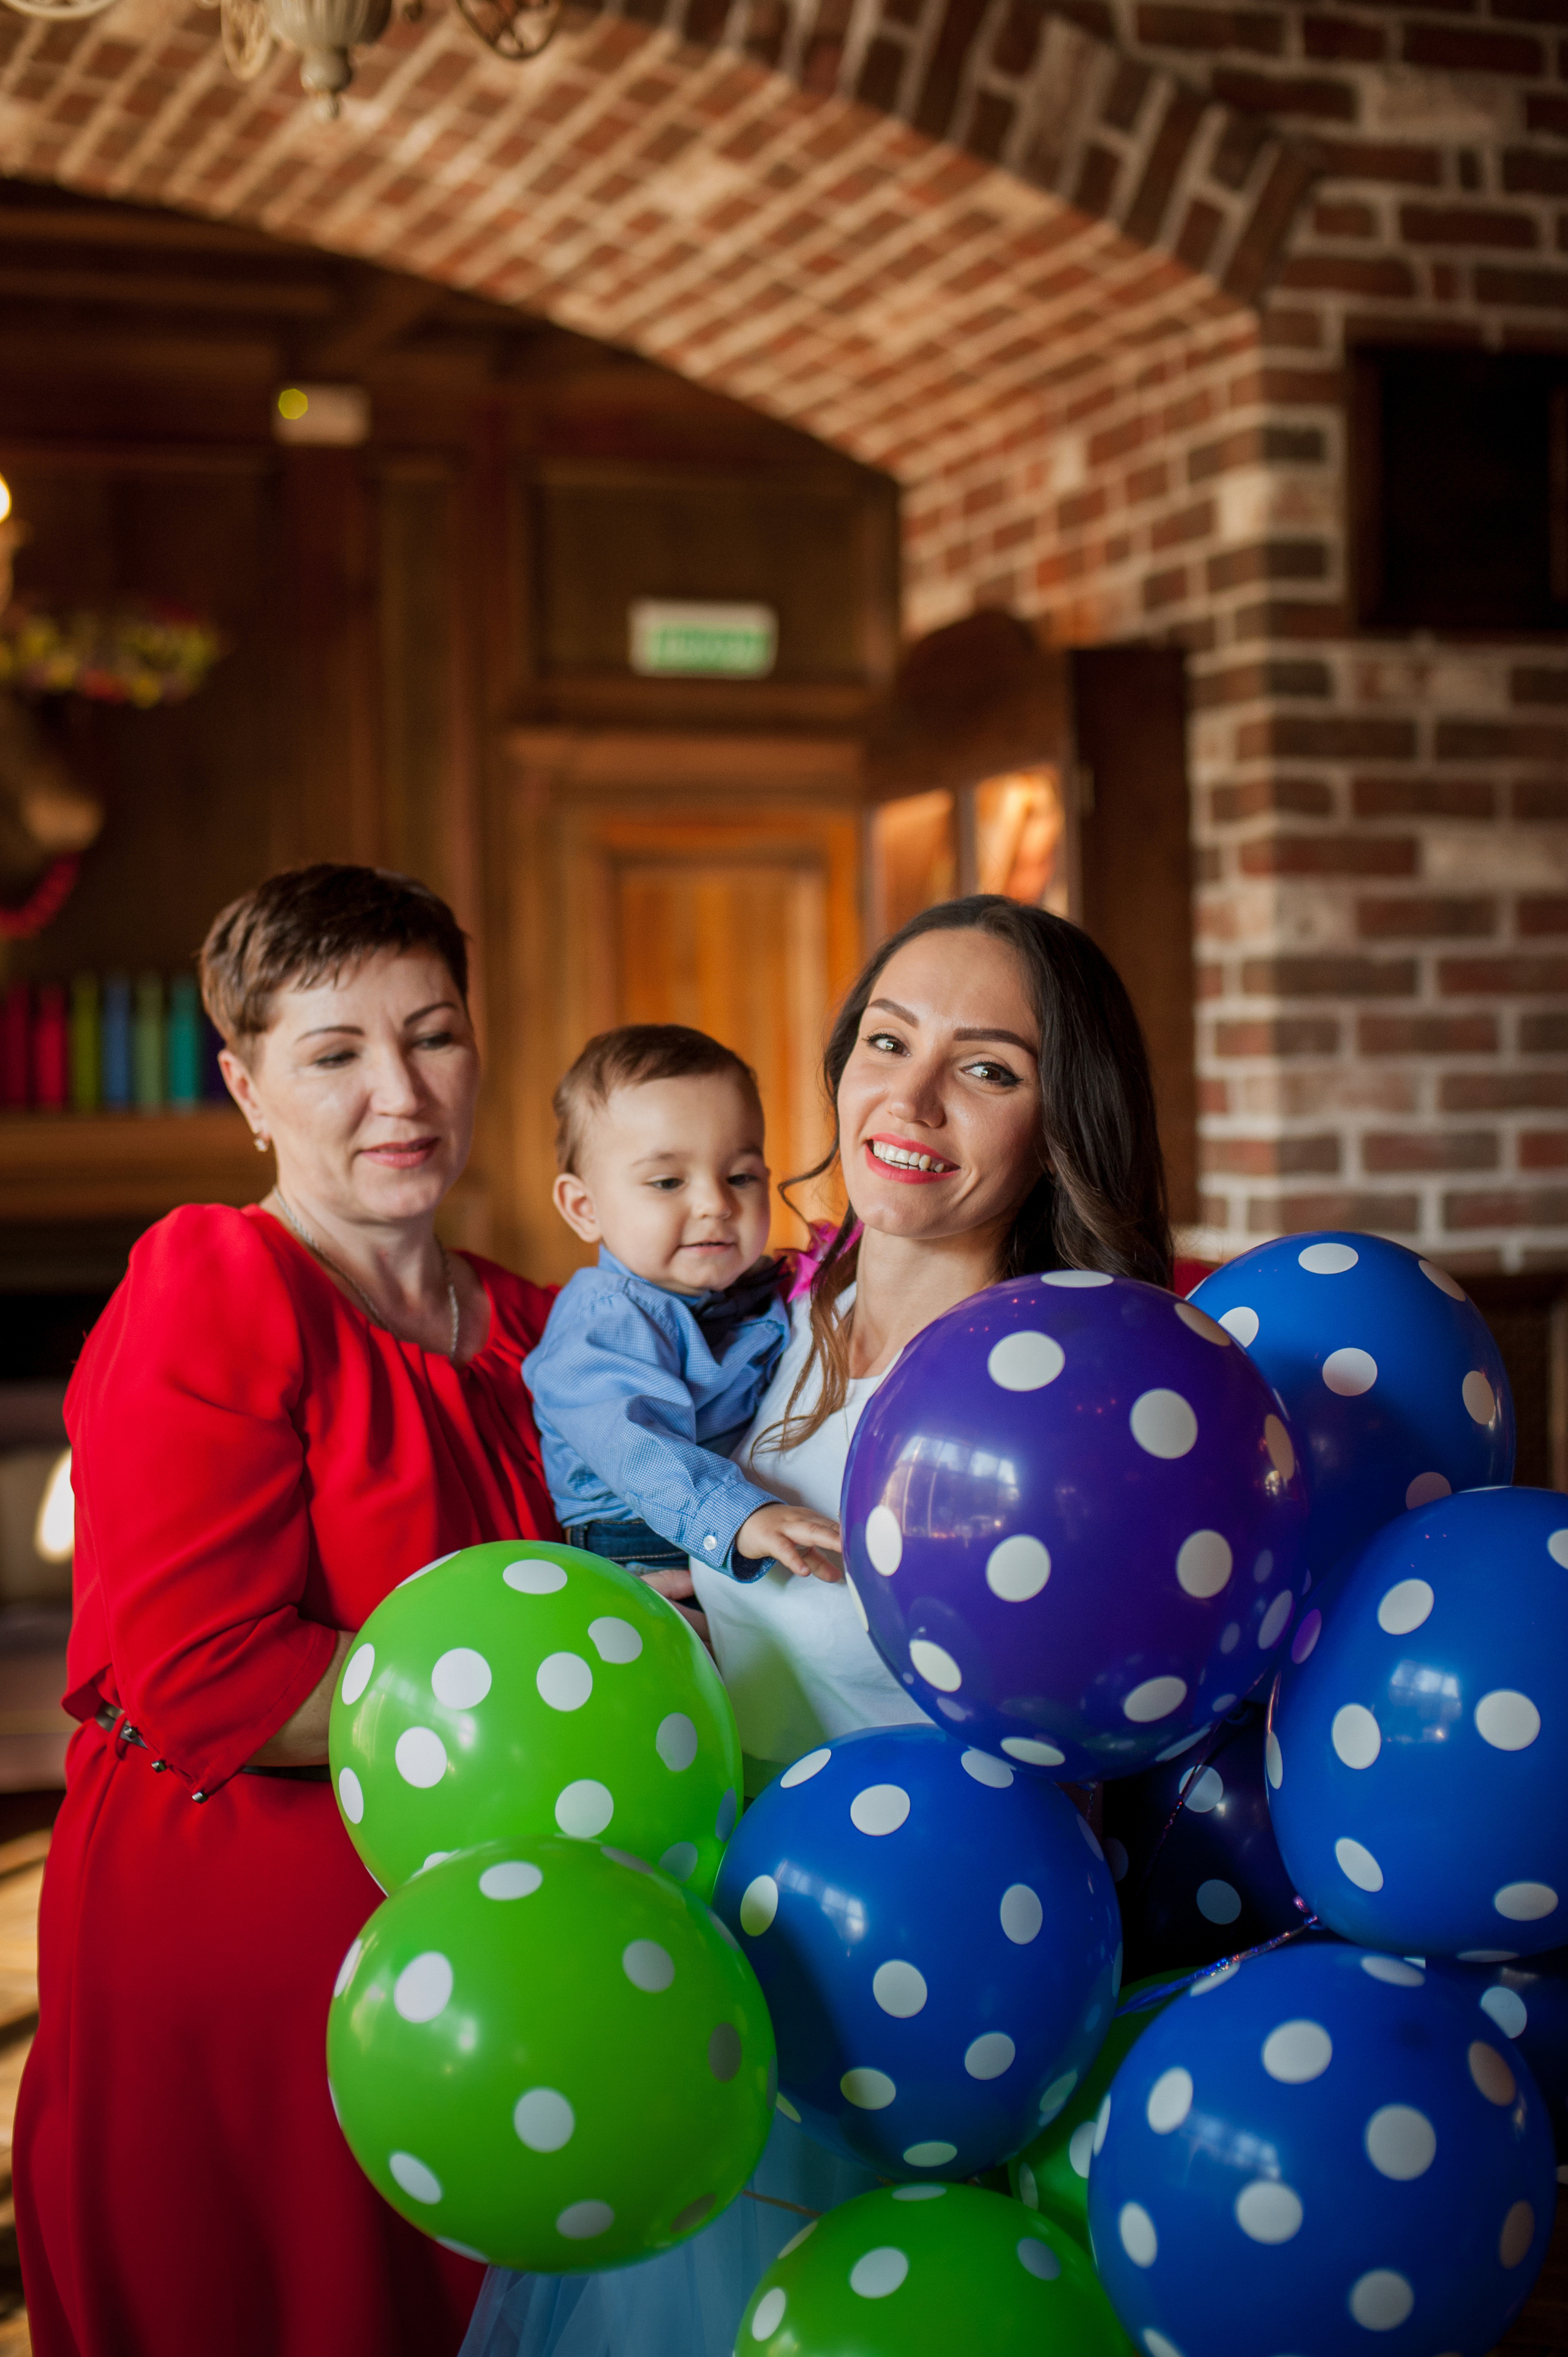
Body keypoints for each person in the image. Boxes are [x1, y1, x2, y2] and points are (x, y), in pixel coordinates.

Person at [462, 892, 1170, 2357]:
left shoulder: (1058, 1402)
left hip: (919, 2011)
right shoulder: (759, 1310)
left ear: (1060, 1121)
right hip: (699, 2003)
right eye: (884, 1039)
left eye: (984, 1066)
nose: (906, 1096)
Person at [15, 863, 561, 2357]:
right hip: (256, 1963)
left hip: (503, 1968)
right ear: (246, 1084)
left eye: (433, 1033)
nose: (400, 1089)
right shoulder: (218, 1278)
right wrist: (551, 1713)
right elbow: (215, 1680)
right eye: (335, 1052)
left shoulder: (539, 1326)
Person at [522, 1024, 842, 1620]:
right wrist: (740, 1516)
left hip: (732, 1518)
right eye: (668, 1181)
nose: (716, 1203)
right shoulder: (606, 1320)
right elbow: (641, 1450)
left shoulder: (756, 1290)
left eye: (741, 1176)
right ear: (584, 1208)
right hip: (642, 1550)